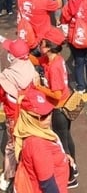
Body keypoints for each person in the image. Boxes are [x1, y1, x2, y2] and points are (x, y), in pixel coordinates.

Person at [33, 28, 78, 188]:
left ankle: (70, 176)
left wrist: (39, 88)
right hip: (67, 105)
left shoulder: (54, 67)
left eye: (42, 43)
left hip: (59, 110)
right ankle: (74, 167)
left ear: (49, 47)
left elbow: (57, 94)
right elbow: (38, 61)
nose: (39, 45)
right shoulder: (54, 59)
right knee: (67, 136)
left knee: (62, 143)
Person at [13, 87, 72, 193]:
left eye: (50, 111)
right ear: (29, 118)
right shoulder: (38, 145)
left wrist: (62, 157)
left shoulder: (34, 130)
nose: (49, 117)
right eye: (43, 116)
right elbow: (48, 185)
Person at [0, 37, 38, 187]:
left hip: (14, 116)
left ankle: (8, 177)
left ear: (12, 56)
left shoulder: (6, 76)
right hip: (31, 113)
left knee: (11, 145)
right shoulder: (29, 66)